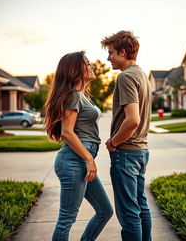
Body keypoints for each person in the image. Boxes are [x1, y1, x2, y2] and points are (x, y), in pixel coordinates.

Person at [44, 51, 113, 241]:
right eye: (87, 63)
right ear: (75, 69)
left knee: (105, 211)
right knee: (66, 219)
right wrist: (89, 158)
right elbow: (67, 132)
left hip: (79, 161)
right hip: (74, 161)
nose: (92, 66)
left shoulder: (81, 95)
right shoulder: (73, 95)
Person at [101, 31, 152, 241]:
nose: (108, 58)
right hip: (141, 151)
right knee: (141, 206)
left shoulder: (126, 77)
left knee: (129, 211)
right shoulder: (142, 75)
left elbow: (132, 120)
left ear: (123, 52)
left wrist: (114, 142)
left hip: (127, 153)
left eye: (111, 53)